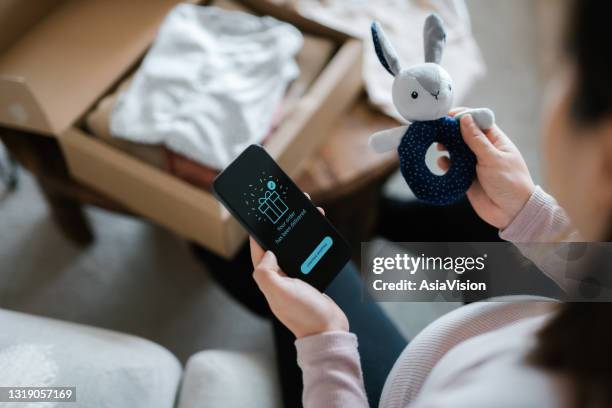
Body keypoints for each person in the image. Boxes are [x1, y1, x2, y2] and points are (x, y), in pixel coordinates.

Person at [195, 0, 612, 406]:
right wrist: (531, 213)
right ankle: (379, 219)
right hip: (523, 320)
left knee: (281, 259)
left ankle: (207, 244)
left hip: (405, 387)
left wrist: (322, 338)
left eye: (565, 67)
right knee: (466, 201)